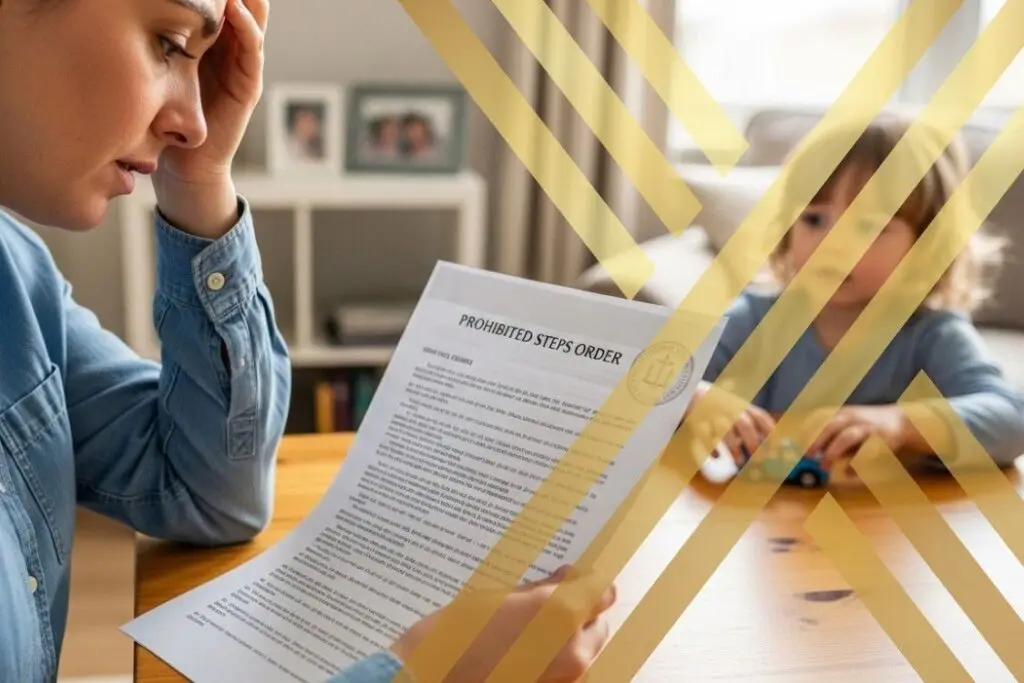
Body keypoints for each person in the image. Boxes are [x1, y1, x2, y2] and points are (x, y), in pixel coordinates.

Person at [0, 1, 615, 682]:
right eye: (169, 43)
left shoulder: (16, 278)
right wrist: (421, 671)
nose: (194, 122)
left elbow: (210, 493)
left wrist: (199, 179)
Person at [684, 114, 1024, 475]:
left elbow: (1012, 419)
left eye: (868, 227)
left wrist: (902, 425)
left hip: (886, 510)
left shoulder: (932, 333)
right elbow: (655, 381)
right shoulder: (755, 319)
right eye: (814, 220)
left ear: (928, 242)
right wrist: (696, 397)